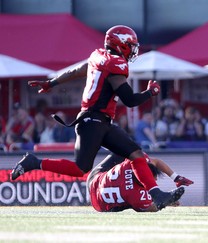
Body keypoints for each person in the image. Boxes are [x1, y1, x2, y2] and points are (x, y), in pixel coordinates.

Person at [10, 25, 182, 210]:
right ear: (121, 44)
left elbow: (76, 71)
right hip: (92, 120)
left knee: (136, 154)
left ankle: (157, 195)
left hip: (102, 121)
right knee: (80, 168)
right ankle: (34, 162)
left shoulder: (98, 56)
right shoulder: (115, 64)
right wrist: (151, 92)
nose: (133, 50)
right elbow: (130, 100)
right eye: (131, 45)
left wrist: (52, 83)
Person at [88, 153, 193, 212]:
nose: (155, 181)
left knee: (125, 150)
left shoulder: (131, 162)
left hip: (94, 179)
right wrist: (167, 202)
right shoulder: (136, 195)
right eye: (153, 179)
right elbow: (151, 208)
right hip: (100, 205)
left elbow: (155, 162)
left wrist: (176, 178)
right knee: (134, 204)